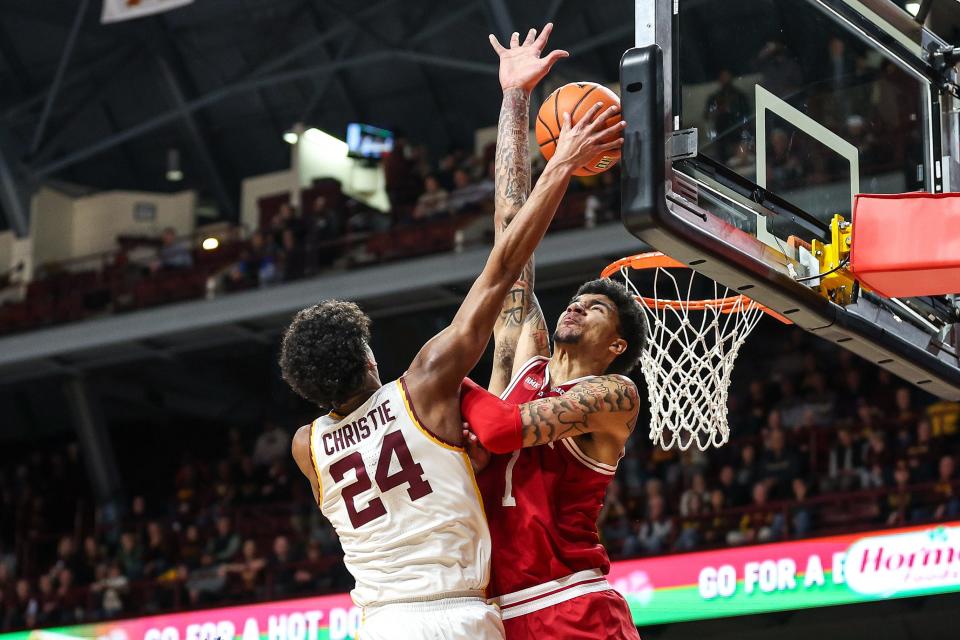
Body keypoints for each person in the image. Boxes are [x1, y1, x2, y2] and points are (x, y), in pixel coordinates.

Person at [283, 23, 618, 640]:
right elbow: (504, 263)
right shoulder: (426, 387)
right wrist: (560, 160)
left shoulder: (307, 446)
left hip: (378, 621)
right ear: (366, 357)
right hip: (454, 615)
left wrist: (515, 104)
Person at [453, 26, 641, 639]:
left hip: (572, 608)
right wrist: (514, 101)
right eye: (577, 299)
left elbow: (504, 432)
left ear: (616, 347)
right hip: (498, 613)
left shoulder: (613, 397)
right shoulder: (522, 358)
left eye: (596, 309)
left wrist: (436, 387)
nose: (577, 307)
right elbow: (511, 229)